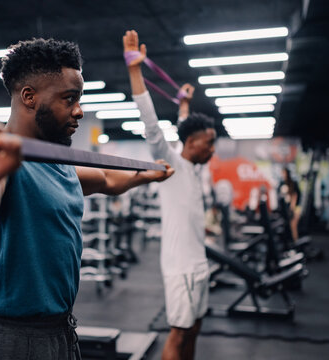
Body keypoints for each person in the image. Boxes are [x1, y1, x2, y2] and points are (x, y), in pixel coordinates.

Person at [0, 38, 174, 360]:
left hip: (58, 333)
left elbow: (106, 178)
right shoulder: (3, 164)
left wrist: (147, 175)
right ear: (29, 97)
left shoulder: (56, 165)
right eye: (69, 99)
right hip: (8, 342)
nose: (79, 111)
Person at [123, 30, 216, 360]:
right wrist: (134, 68)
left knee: (195, 329)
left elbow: (183, 130)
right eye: (210, 143)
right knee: (178, 334)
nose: (213, 149)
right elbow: (151, 125)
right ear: (193, 143)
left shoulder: (192, 165)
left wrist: (185, 106)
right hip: (180, 268)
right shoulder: (171, 164)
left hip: (199, 264)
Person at [279, 167, 302, 241]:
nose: (282, 175)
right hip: (287, 209)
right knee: (287, 226)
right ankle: (291, 242)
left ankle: (296, 242)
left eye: (284, 173)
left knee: (293, 225)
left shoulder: (293, 183)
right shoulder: (282, 184)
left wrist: (292, 207)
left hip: (295, 208)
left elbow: (295, 196)